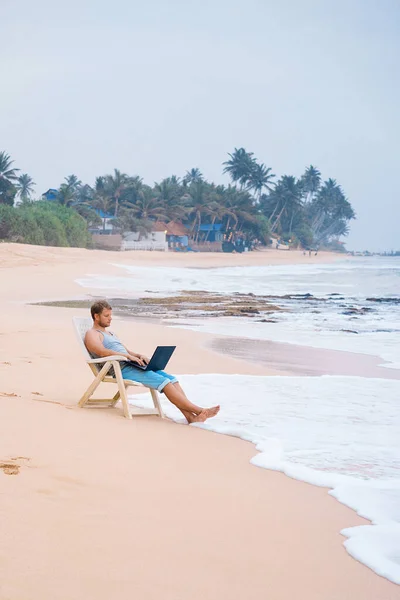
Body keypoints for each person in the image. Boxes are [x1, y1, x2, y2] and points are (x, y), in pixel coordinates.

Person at [84, 300, 220, 424]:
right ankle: (200, 410)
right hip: (119, 367)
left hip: (130, 363)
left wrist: (138, 356)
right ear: (96, 316)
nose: (110, 318)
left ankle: (191, 417)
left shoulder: (111, 334)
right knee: (165, 383)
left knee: (172, 379)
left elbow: (128, 351)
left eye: (110, 315)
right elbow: (101, 351)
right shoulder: (92, 333)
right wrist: (125, 356)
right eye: (106, 316)